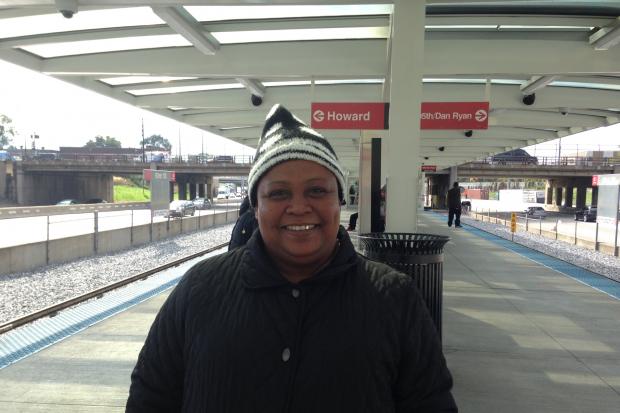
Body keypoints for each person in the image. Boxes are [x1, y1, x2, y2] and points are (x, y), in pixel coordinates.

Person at [126, 104, 458, 412]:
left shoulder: (395, 299)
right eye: (279, 193)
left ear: (339, 201)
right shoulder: (198, 290)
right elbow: (151, 394)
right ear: (256, 208)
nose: (299, 207)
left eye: (317, 190)